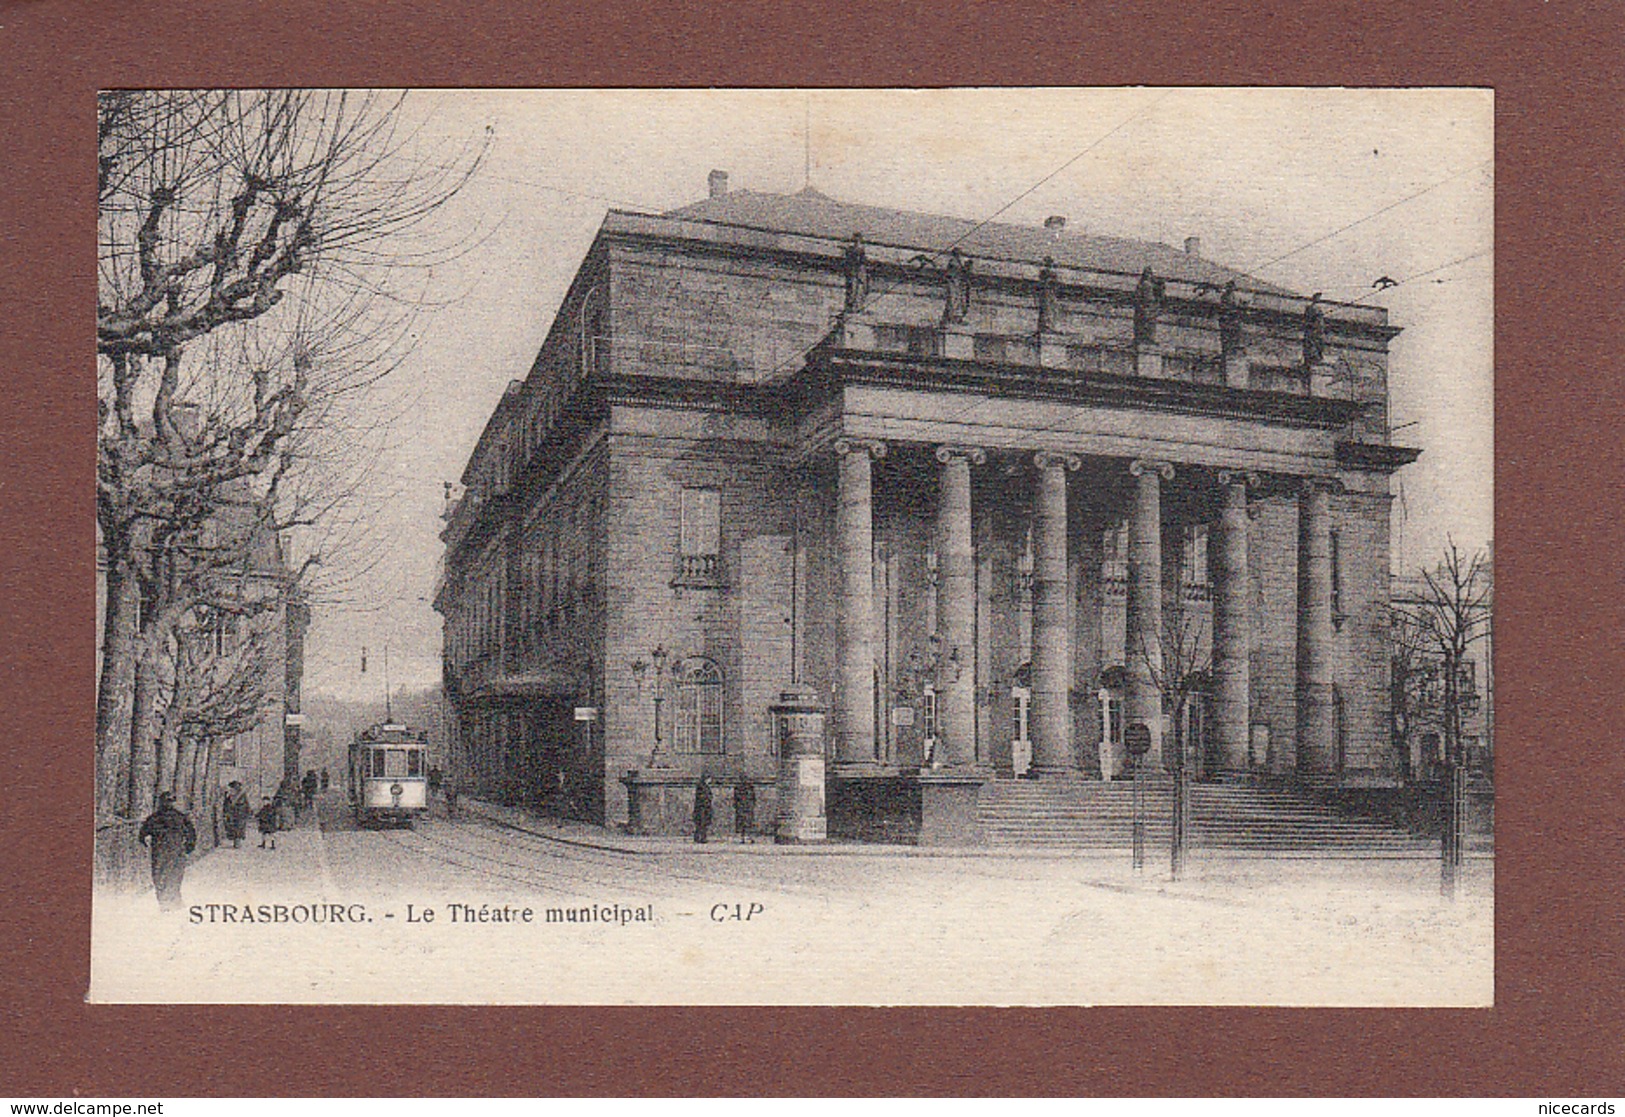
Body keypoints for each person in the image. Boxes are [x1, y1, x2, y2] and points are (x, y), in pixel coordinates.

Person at [138, 792, 196, 911]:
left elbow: (143, 834)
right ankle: (172, 901)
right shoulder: (180, 817)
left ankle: (167, 901)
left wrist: (144, 840)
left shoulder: (155, 817)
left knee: (162, 876)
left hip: (162, 852)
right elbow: (191, 834)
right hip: (173, 851)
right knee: (173, 875)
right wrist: (189, 847)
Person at [221, 780, 251, 849]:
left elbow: (246, 806)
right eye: (231, 789)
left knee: (239, 828)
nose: (231, 790)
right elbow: (226, 805)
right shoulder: (228, 797)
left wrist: (247, 814)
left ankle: (237, 841)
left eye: (233, 789)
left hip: (240, 815)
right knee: (231, 828)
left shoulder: (242, 796)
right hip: (231, 815)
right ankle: (235, 840)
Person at [733, 777, 756, 844]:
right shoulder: (749, 789)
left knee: (743, 822)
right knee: (746, 822)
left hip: (743, 808)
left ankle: (743, 837)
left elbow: (736, 799)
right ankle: (745, 837)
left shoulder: (738, 789)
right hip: (746, 808)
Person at [692, 773, 713, 844]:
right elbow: (703, 797)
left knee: (702, 824)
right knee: (702, 824)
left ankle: (700, 837)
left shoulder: (704, 787)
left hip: (704, 807)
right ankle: (701, 837)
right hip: (702, 808)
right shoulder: (702, 787)